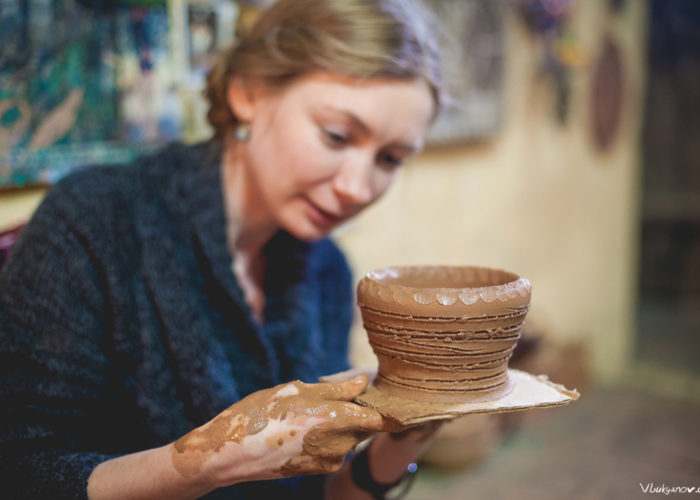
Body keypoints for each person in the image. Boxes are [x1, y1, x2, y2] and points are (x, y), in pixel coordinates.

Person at [0, 0, 442, 498]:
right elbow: (20, 471)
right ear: (248, 93)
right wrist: (213, 458)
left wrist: (404, 438)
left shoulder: (328, 272)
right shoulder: (94, 223)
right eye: (336, 136)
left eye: (390, 158)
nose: (359, 189)